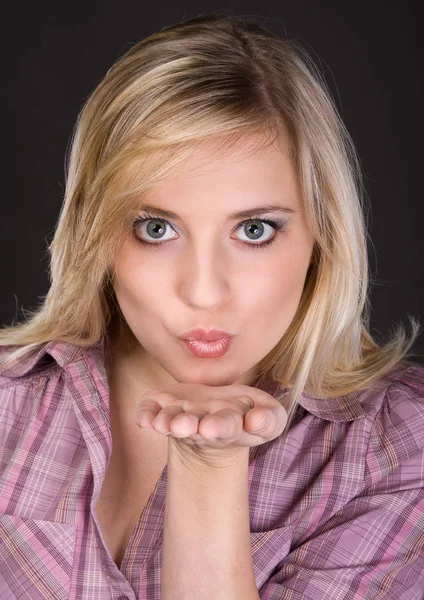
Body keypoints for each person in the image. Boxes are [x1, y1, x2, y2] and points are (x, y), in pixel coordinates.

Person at [0, 11, 423, 600]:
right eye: (154, 229)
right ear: (93, 233)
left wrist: (209, 466)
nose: (203, 292)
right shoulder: (7, 402)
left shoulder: (399, 452)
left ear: (323, 235)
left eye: (253, 230)